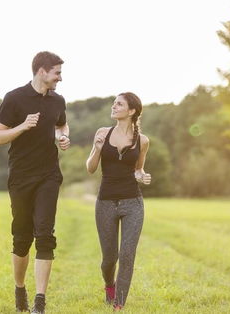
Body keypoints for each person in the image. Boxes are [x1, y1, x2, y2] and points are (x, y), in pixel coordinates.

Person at [0, 51, 70, 314]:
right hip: (21, 177)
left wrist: (62, 137)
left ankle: (40, 301)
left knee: (45, 235)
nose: (60, 78)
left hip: (49, 175)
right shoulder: (14, 98)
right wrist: (23, 126)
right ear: (42, 71)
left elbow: (62, 125)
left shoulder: (58, 101)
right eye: (57, 72)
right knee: (22, 238)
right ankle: (20, 290)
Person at [86, 92, 151, 311]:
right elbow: (90, 168)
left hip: (133, 203)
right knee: (109, 259)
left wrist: (143, 175)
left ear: (131, 111)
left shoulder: (142, 140)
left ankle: (119, 305)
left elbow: (138, 170)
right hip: (106, 202)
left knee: (127, 254)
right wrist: (96, 147)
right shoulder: (103, 132)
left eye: (119, 104)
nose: (114, 106)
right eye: (114, 103)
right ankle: (108, 285)